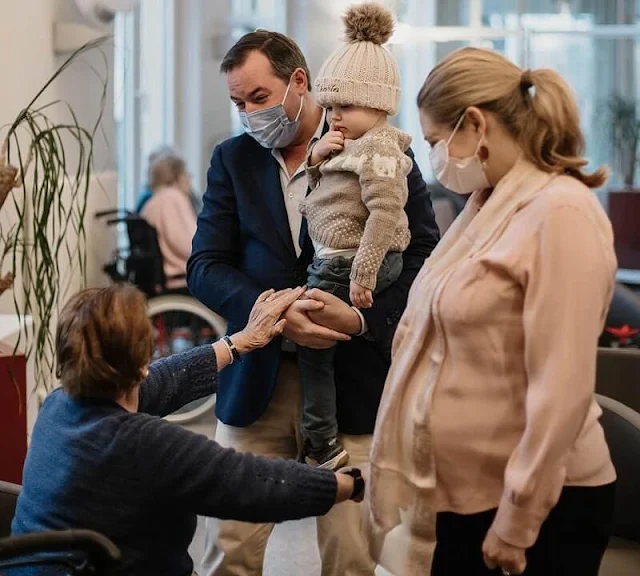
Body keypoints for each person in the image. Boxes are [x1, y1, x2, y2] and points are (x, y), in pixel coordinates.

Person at [186, 14, 440, 576]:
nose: (252, 113)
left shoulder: (380, 146)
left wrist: (357, 319)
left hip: (352, 381)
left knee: (350, 554)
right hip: (259, 385)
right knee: (228, 549)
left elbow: (424, 255)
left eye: (260, 96)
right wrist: (277, 312)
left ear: (299, 83)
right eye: (239, 103)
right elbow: (204, 267)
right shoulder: (233, 160)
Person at [364, 47, 617, 576]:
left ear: (475, 124)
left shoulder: (561, 213)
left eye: (435, 141)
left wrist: (517, 519)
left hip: (537, 503)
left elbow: (561, 387)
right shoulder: (487, 204)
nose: (433, 157)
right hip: (472, 494)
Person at [11, 284, 365, 576]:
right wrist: (351, 484)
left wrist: (240, 342)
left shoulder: (58, 407)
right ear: (140, 365)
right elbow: (255, 484)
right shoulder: (147, 445)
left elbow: (167, 380)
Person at [297, 4, 413, 470]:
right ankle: (321, 437)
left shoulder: (381, 149)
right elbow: (322, 198)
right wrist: (317, 156)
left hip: (355, 262)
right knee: (313, 342)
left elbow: (385, 216)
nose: (334, 116)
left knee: (312, 348)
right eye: (328, 107)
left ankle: (322, 442)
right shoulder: (346, 145)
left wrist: (363, 277)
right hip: (337, 258)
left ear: (378, 103)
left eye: (344, 105)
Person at [141, 150, 197, 289]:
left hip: (165, 278)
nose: (189, 179)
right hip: (180, 279)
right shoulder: (173, 198)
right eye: (186, 174)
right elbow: (189, 245)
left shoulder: (152, 202)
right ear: (176, 177)